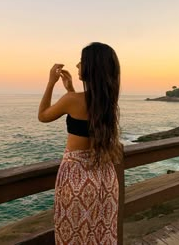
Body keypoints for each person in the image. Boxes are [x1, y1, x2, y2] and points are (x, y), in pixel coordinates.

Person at [38, 42, 123, 244]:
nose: (77, 65)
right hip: (105, 178)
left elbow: (43, 116)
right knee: (101, 234)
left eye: (82, 61)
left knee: (74, 236)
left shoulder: (72, 100)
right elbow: (87, 115)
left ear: (91, 67)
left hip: (77, 177)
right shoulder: (108, 101)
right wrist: (71, 90)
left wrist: (51, 82)